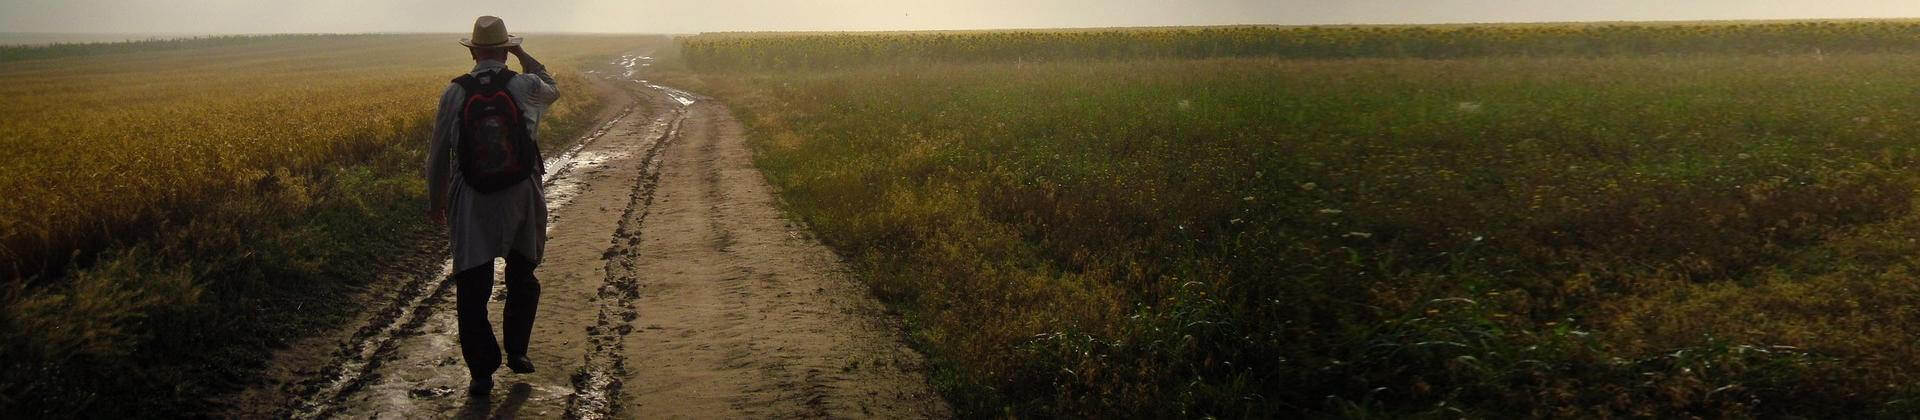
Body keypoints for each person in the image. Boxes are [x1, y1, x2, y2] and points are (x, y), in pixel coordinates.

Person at [425, 15, 560, 397]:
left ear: (474, 50)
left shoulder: (454, 92)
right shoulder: (525, 85)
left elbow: (437, 154)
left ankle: (482, 372)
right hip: (521, 193)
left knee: (472, 285)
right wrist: (523, 54)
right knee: (522, 274)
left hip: (471, 197)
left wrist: (436, 201)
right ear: (504, 49)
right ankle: (517, 350)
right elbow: (554, 87)